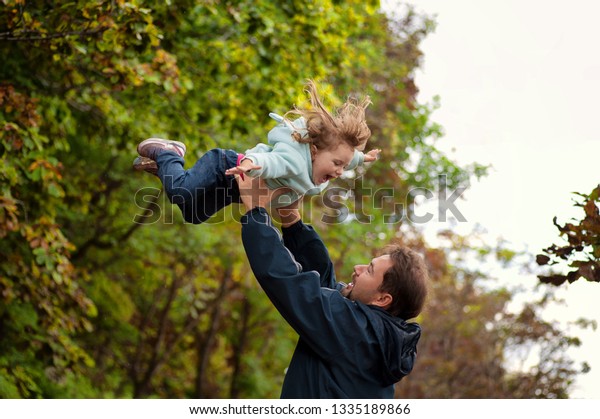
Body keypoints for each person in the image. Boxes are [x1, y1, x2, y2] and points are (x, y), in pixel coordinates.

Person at [237, 176, 429, 399]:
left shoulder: (358, 334)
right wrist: (292, 221)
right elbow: (326, 288)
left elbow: (289, 284)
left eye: (369, 270)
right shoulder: (375, 337)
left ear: (382, 299)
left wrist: (256, 213)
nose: (357, 268)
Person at [132, 80, 380, 224]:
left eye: (343, 167)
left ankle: (166, 169)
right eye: (337, 164)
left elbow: (347, 156)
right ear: (314, 151)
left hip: (233, 191)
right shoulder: (294, 160)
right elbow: (270, 162)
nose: (339, 171)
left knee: (193, 214)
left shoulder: (326, 166)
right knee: (180, 192)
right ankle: (169, 152)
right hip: (227, 166)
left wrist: (362, 157)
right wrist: (250, 162)